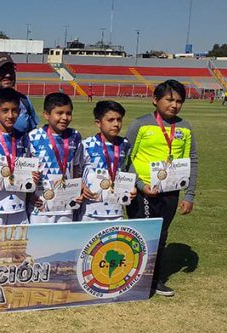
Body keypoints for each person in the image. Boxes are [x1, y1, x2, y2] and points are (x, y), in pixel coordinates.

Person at [126, 79, 198, 297]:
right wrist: (139, 184)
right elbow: (126, 157)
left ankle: (154, 280)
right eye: (169, 99)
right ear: (155, 100)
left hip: (171, 191)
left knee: (162, 235)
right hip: (142, 192)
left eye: (179, 101)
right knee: (142, 235)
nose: (174, 105)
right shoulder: (140, 124)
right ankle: (132, 279)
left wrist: (190, 194)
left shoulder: (184, 127)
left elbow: (191, 159)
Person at [0, 88, 38, 226]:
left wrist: (33, 175)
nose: (10, 115)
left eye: (15, 110)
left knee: (19, 246)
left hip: (19, 206)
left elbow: (30, 166)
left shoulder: (24, 138)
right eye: (5, 110)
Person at [28, 92, 84, 223]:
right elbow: (26, 170)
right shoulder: (33, 137)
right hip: (40, 203)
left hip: (66, 204)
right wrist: (29, 195)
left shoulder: (75, 136)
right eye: (59, 113)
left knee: (64, 241)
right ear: (46, 115)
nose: (65, 117)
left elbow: (76, 167)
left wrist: (77, 189)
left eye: (68, 113)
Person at [80, 101, 136, 221]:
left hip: (116, 209)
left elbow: (125, 170)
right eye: (110, 120)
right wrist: (81, 185)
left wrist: (131, 187)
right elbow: (75, 171)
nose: (116, 124)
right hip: (90, 209)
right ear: (98, 123)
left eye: (119, 120)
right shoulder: (86, 145)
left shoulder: (125, 144)